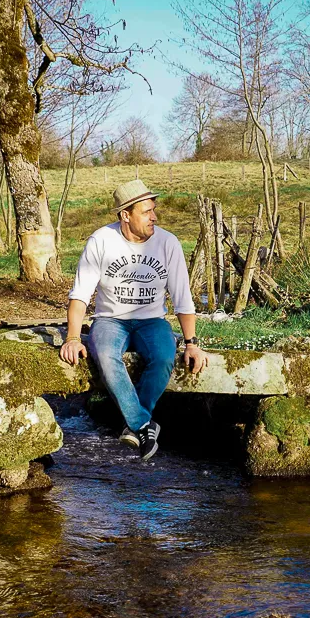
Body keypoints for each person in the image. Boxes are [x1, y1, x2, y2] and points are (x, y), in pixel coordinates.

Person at [59, 179, 208, 460]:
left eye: (154, 210)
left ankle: (134, 424)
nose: (154, 217)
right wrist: (73, 338)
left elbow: (182, 297)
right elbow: (80, 294)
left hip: (152, 321)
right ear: (125, 215)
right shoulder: (101, 241)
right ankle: (143, 424)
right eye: (146, 211)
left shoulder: (168, 243)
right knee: (104, 353)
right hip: (110, 320)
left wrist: (191, 343)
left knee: (165, 354)